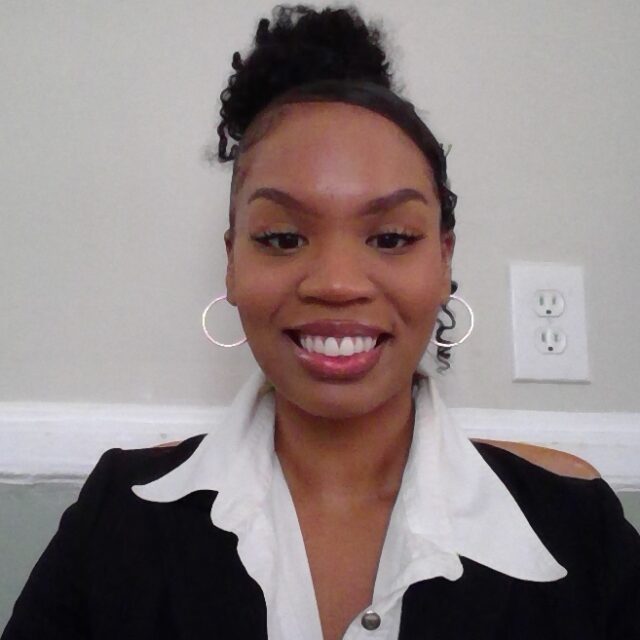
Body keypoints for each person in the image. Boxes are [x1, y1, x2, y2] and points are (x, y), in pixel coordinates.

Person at [3, 5, 639, 640]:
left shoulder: (578, 533)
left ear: (444, 259)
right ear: (232, 261)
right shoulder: (116, 518)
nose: (336, 282)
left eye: (390, 237)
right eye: (282, 237)